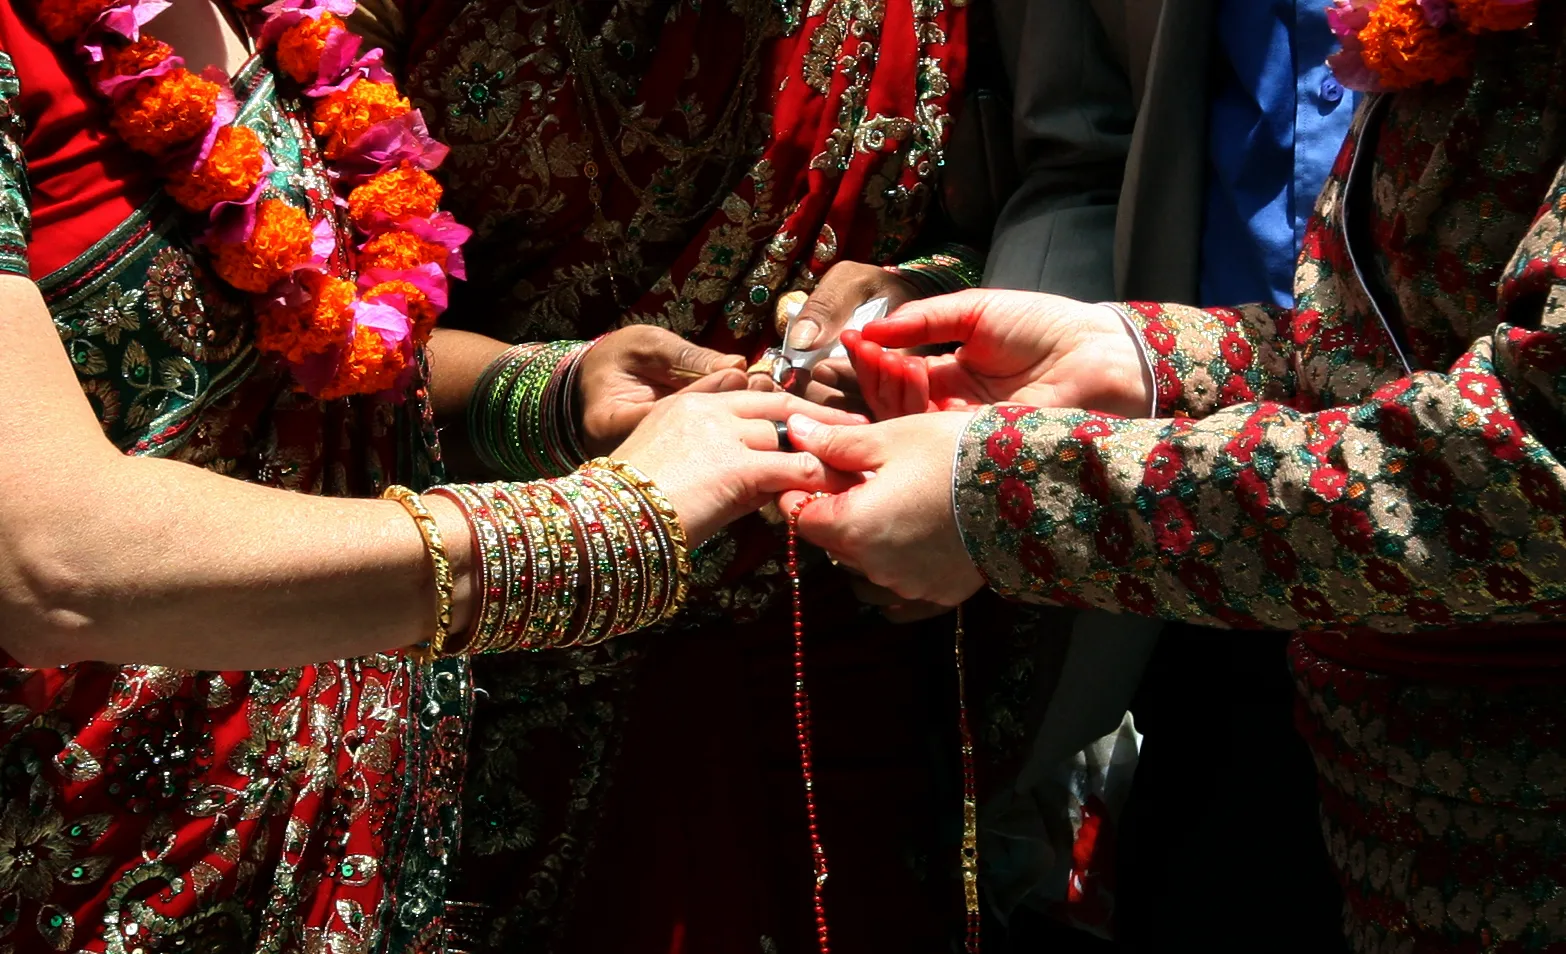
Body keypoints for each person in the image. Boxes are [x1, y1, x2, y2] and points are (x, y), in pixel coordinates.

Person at [0, 0, 859, 948]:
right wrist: (600, 528)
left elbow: (303, 354)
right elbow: (47, 559)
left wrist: (550, 396)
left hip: (343, 844)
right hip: (87, 867)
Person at [786, 1, 1566, 950]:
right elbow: (1396, 357)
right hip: (1360, 791)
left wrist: (1003, 501)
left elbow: (1527, 458)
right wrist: (1140, 357)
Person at [348, 1, 993, 950]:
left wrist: (925, 316)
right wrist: (555, 400)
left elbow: (1046, 198)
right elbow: (309, 337)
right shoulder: (356, 24)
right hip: (499, 627)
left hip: (848, 619)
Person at [981, 0, 1353, 946]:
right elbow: (1082, 158)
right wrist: (1014, 420)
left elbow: (1517, 441)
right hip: (1205, 617)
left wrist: (1006, 500)